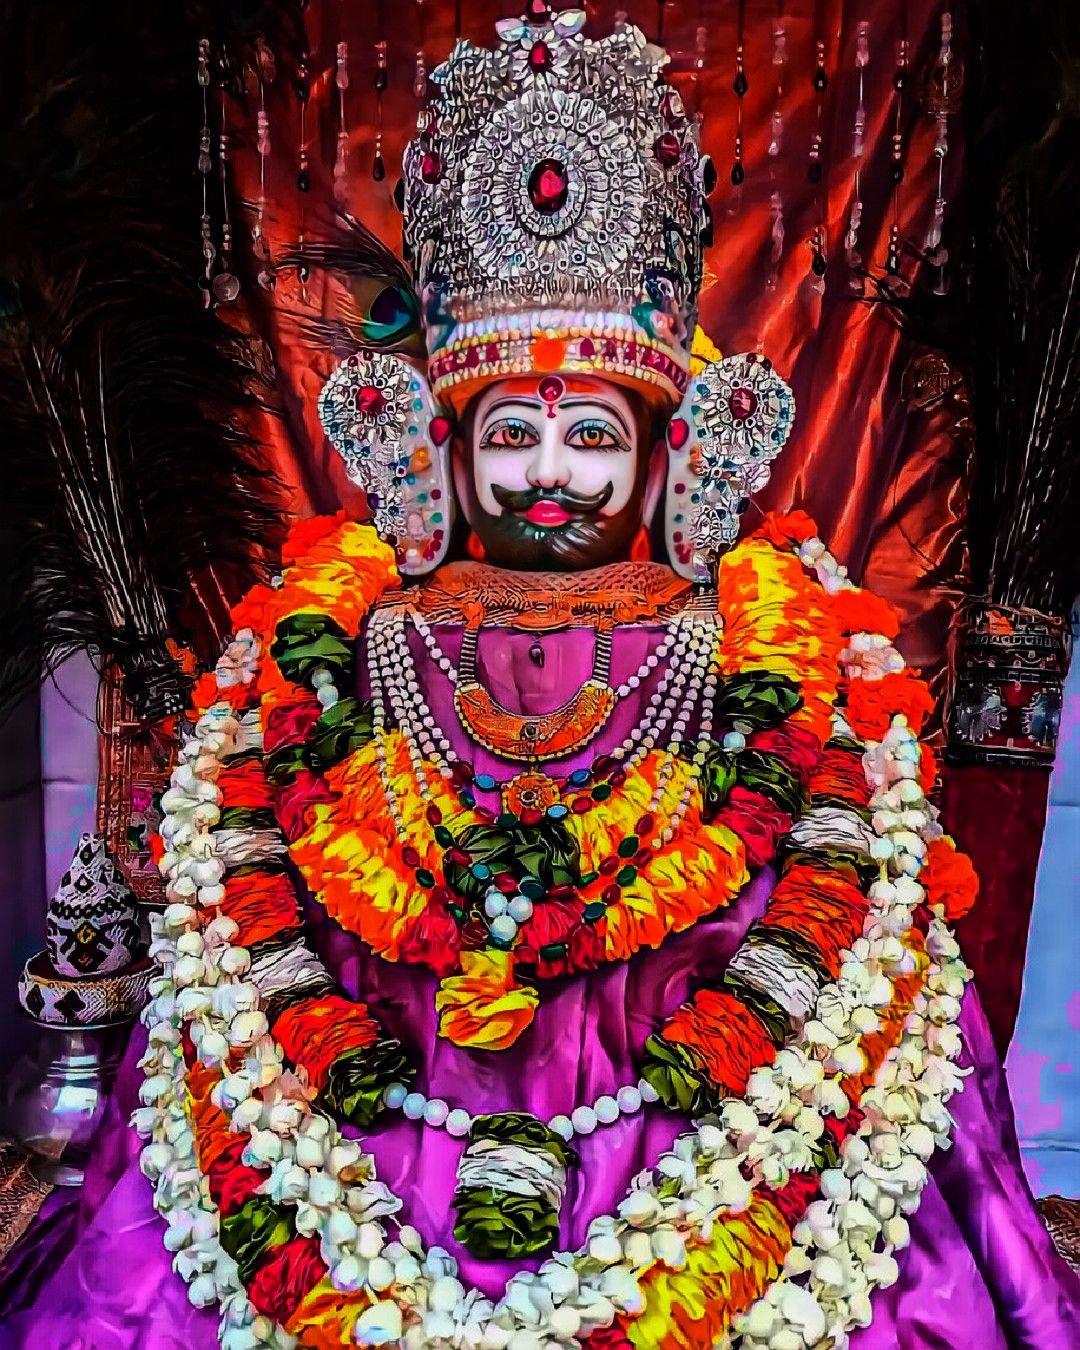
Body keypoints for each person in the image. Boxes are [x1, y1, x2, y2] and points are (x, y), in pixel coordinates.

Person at [3, 8, 1075, 1348]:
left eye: (590, 434)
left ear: (664, 448)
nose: (553, 474)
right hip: (364, 1095)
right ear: (445, 459)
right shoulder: (345, 636)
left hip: (710, 1104)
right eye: (513, 435)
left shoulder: (771, 643)